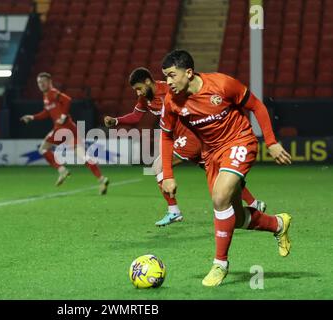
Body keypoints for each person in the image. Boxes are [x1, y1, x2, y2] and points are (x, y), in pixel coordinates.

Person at [160, 50, 292, 286]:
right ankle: (278, 224)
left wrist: (270, 142)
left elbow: (257, 107)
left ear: (188, 73)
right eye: (165, 76)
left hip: (239, 141)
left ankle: (220, 264)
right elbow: (166, 136)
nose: (168, 82)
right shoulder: (171, 101)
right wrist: (168, 175)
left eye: (171, 75)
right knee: (236, 217)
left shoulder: (222, 84)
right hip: (211, 155)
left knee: (219, 198)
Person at [104, 67, 266, 227]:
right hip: (189, 139)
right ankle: (254, 203)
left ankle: (173, 210)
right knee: (218, 174)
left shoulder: (170, 89)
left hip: (190, 137)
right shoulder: (145, 98)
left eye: (139, 88)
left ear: (147, 81)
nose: (138, 93)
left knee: (158, 166)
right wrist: (117, 121)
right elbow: (136, 116)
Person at [21, 72, 109, 195]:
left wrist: (62, 116)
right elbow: (46, 113)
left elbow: (67, 100)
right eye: (39, 83)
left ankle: (62, 170)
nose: (41, 85)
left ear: (49, 82)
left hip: (61, 128)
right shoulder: (46, 96)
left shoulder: (52, 92)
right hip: (71, 128)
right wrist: (32, 117)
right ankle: (102, 179)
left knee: (43, 149)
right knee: (83, 157)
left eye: (43, 82)